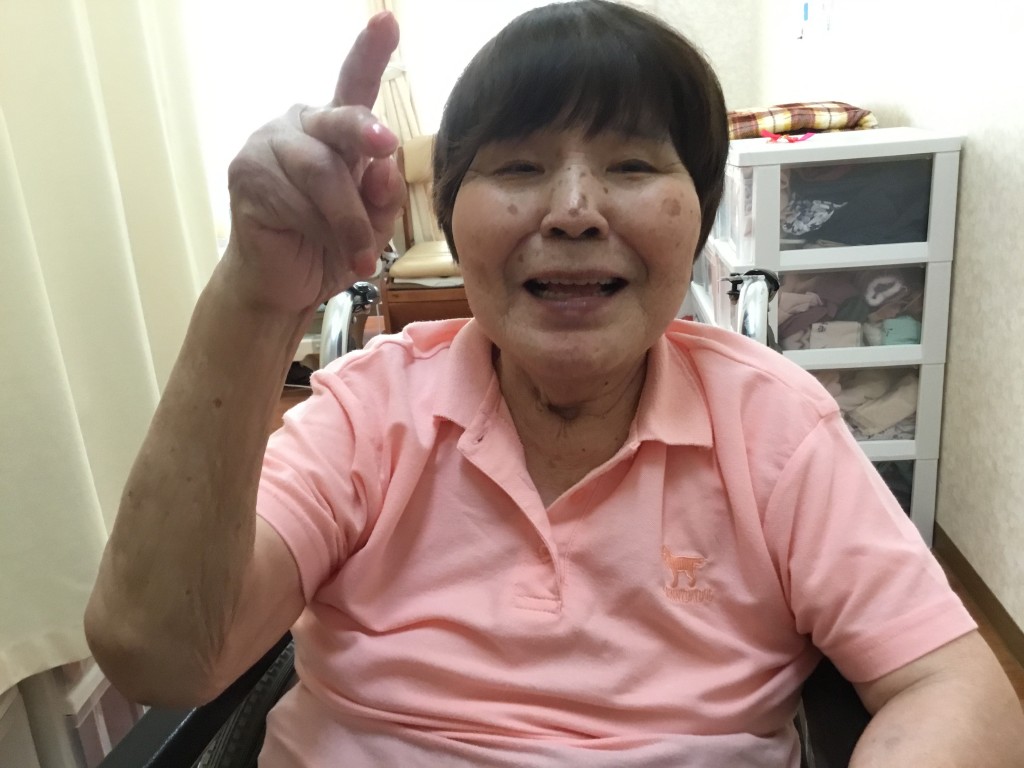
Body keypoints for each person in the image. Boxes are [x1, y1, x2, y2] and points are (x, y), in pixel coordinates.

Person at [85, 2, 1024, 766]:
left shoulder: (774, 425)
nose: (574, 211)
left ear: (699, 217)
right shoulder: (372, 411)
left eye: (632, 165)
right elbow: (163, 657)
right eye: (520, 167)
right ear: (454, 222)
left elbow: (952, 684)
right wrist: (254, 297)